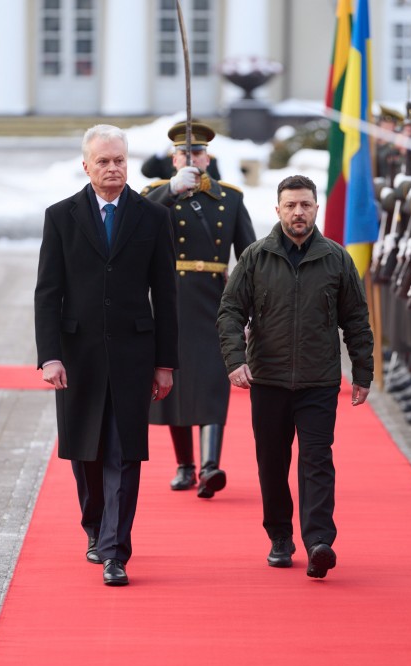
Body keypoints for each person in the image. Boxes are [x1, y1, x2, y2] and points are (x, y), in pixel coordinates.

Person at [34, 124, 179, 587]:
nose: (113, 168)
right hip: (78, 358)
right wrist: (49, 356)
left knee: (124, 452)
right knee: (87, 454)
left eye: (119, 160)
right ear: (86, 166)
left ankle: (116, 550)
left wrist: (165, 363)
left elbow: (166, 296)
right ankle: (95, 527)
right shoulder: (61, 217)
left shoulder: (152, 217)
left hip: (134, 356)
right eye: (103, 161)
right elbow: (47, 293)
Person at [217, 174, 374, 579]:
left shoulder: (336, 258)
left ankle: (319, 541)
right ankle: (280, 536)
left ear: (316, 208)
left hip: (318, 381)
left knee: (317, 460)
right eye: (290, 205)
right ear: (278, 210)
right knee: (272, 462)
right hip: (267, 380)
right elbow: (230, 311)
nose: (298, 212)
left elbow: (356, 319)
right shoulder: (256, 256)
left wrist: (362, 371)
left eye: (305, 205)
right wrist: (235, 360)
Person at [143, 121, 256, 498]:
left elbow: (249, 257)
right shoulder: (157, 195)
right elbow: (136, 222)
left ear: (208, 158)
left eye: (197, 153)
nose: (191, 159)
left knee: (210, 380)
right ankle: (185, 465)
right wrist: (171, 191)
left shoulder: (230, 198)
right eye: (184, 154)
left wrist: (251, 306)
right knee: (172, 380)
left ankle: (209, 466)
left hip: (214, 301)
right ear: (173, 160)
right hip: (168, 298)